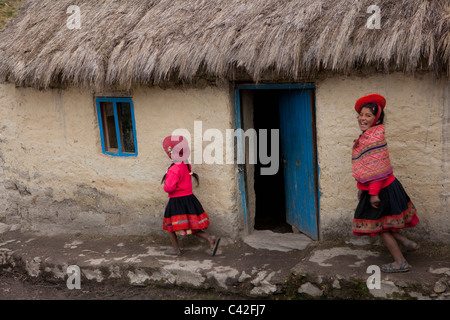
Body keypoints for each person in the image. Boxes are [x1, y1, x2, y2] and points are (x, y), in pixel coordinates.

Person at [352, 94, 420, 273]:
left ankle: (400, 262)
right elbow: (369, 167)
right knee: (383, 223)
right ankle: (406, 242)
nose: (363, 118)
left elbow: (377, 169)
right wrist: (362, 189)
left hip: (381, 189)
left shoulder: (374, 137)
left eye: (368, 115)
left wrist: (373, 193)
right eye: (361, 114)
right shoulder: (369, 135)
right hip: (382, 187)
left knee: (380, 227)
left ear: (377, 118)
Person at [161, 135, 220, 256]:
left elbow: (169, 187)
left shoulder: (174, 169)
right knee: (190, 225)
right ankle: (209, 238)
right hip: (189, 199)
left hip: (176, 201)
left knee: (170, 226)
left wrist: (165, 186)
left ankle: (175, 249)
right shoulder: (185, 165)